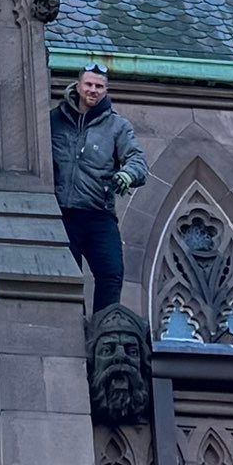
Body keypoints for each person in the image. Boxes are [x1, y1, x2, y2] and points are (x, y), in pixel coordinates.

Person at [50, 62, 148, 311]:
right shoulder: (54, 120)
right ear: (79, 85)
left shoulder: (118, 126)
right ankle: (71, 331)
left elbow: (137, 159)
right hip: (61, 214)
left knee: (111, 273)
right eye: (89, 84)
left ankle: (104, 327)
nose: (93, 90)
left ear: (106, 90)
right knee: (64, 279)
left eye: (99, 86)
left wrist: (128, 174)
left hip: (98, 214)